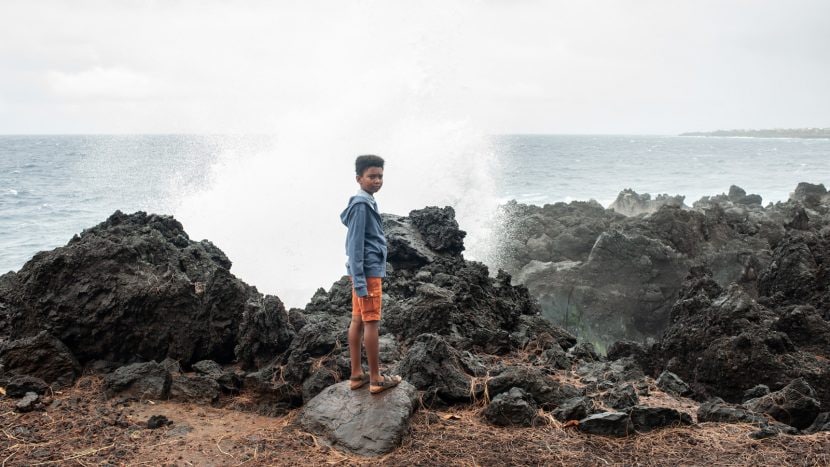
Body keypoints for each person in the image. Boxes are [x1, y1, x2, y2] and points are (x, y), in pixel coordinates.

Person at [340, 154, 402, 394]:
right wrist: (360, 280)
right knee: (371, 323)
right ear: (359, 178)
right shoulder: (361, 205)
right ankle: (376, 379)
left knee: (357, 320)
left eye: (380, 176)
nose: (377, 181)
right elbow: (354, 245)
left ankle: (357, 375)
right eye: (372, 176)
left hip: (362, 273)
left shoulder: (365, 202)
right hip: (367, 273)